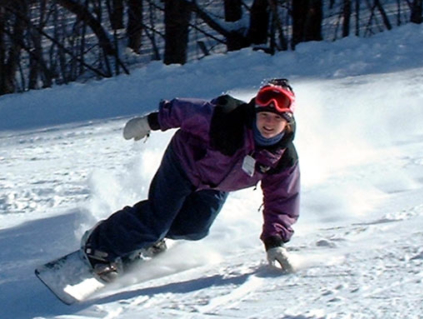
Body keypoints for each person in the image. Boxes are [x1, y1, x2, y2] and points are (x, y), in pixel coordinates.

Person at [81, 78, 301, 282]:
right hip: (184, 164)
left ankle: (149, 236)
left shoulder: (282, 158)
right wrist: (150, 122)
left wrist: (275, 242)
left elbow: (282, 200)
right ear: (255, 113)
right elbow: (186, 112)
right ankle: (98, 243)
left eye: (277, 118)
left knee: (195, 229)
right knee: (157, 220)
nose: (269, 123)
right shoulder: (227, 117)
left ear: (288, 122)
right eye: (264, 115)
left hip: (216, 185)